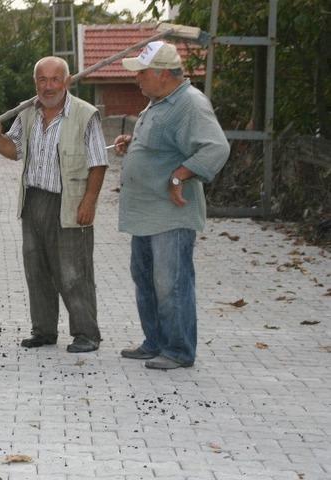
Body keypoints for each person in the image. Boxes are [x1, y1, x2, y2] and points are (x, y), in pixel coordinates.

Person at [0, 56, 108, 353]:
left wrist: (90, 202)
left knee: (74, 272)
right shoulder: (27, 112)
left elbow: (99, 163)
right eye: (42, 80)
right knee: (37, 270)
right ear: (35, 82)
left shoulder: (85, 115)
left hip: (69, 201)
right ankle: (44, 331)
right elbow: (15, 151)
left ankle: (87, 334)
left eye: (54, 79)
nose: (48, 87)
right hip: (34, 199)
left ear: (67, 81)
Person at [114, 41, 229, 370]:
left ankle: (178, 350)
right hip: (146, 213)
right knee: (146, 277)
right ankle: (155, 342)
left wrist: (180, 175)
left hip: (170, 215)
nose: (137, 79)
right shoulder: (158, 102)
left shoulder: (190, 104)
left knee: (171, 283)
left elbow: (215, 148)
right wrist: (132, 144)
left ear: (163, 73)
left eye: (142, 72)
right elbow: (162, 144)